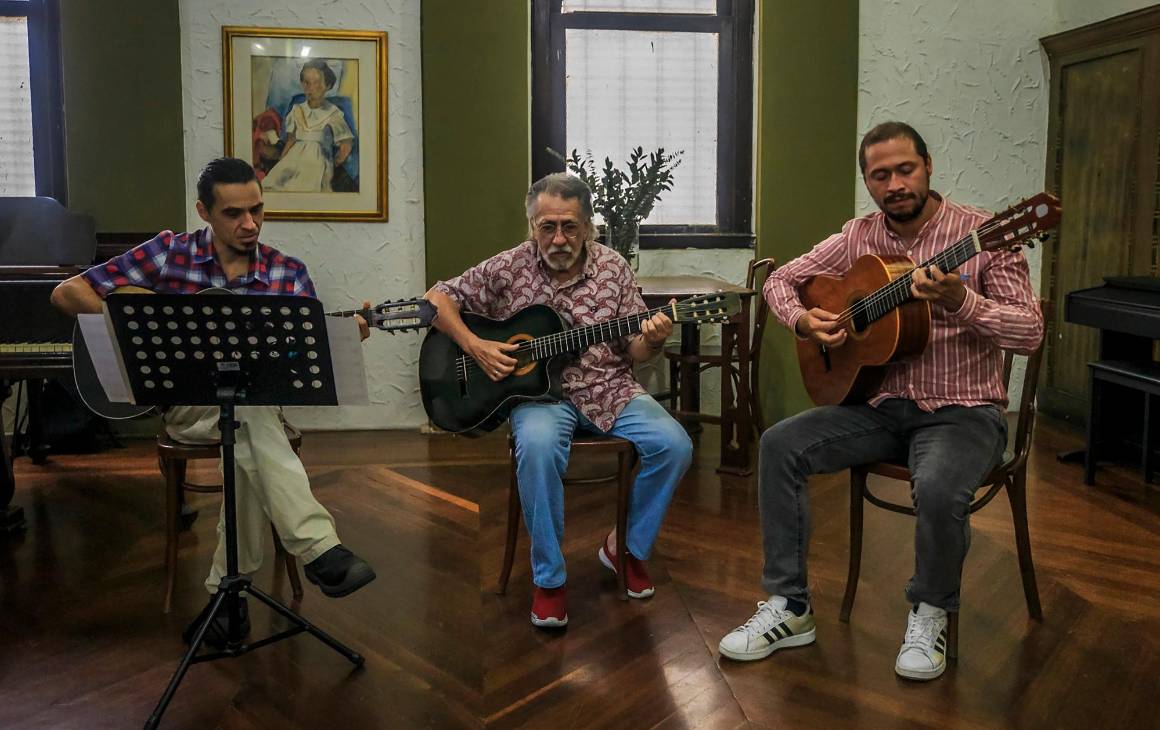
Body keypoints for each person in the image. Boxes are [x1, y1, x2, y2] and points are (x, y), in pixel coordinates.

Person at [718, 122, 1044, 680]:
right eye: (880, 175)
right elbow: (780, 280)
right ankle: (790, 607)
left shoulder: (988, 233)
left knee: (939, 485)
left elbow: (1030, 332)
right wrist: (803, 319)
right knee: (779, 444)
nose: (894, 184)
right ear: (867, 181)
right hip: (877, 405)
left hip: (963, 410)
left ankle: (929, 609)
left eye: (905, 169)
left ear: (928, 166)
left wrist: (963, 301)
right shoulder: (858, 234)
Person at [50, 157, 376, 646]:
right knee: (246, 422)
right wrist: (135, 327)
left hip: (254, 409)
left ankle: (229, 603)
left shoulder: (287, 273)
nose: (250, 224)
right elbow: (67, 293)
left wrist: (346, 337)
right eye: (233, 214)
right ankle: (318, 548)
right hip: (185, 405)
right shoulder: (167, 254)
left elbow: (299, 362)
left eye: (258, 211)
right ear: (204, 211)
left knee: (243, 420)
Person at [425, 172, 693, 629]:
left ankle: (624, 548)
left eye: (570, 226)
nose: (558, 238)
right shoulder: (509, 267)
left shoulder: (614, 269)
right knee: (538, 448)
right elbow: (436, 299)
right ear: (531, 226)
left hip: (610, 388)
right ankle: (549, 579)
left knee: (675, 446)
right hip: (540, 398)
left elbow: (634, 351)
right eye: (546, 226)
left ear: (588, 226)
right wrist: (476, 346)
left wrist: (654, 340)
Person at [264, 59, 355, 193]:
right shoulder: (296, 110)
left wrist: (335, 162)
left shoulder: (333, 113)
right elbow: (291, 139)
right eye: (306, 83)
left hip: (317, 164)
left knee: (308, 186)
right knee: (274, 185)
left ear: (328, 85)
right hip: (293, 160)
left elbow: (346, 143)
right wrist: (282, 159)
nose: (310, 88)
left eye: (317, 83)